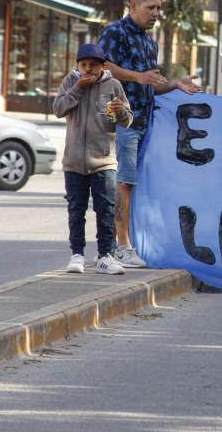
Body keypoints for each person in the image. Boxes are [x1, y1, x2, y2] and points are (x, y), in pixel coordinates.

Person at [98, 0, 201, 268]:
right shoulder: (114, 32)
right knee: (124, 182)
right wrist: (137, 77)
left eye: (158, 8)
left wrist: (176, 85)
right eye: (150, 7)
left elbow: (151, 86)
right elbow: (101, 67)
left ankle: (132, 242)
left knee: (139, 183)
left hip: (147, 122)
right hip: (121, 120)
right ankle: (120, 247)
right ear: (132, 6)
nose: (156, 13)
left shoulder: (149, 41)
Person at [52, 43, 133, 276]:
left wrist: (120, 111)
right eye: (83, 65)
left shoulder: (113, 85)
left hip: (104, 161)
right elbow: (58, 109)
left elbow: (127, 120)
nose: (88, 70)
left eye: (93, 66)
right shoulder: (70, 82)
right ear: (77, 65)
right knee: (76, 209)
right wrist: (77, 88)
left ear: (103, 66)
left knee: (105, 209)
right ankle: (77, 254)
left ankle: (105, 255)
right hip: (74, 161)